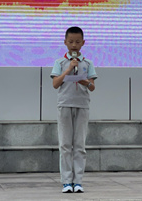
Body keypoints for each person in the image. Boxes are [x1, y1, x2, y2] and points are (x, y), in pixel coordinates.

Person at [51, 26, 97, 193]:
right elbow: (55, 84)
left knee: (79, 145)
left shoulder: (88, 63)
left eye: (77, 42)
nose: (74, 45)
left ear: (83, 43)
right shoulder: (60, 62)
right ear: (65, 42)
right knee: (65, 144)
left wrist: (85, 82)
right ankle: (66, 182)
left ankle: (78, 181)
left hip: (82, 105)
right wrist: (69, 69)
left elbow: (92, 87)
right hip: (65, 104)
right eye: (71, 42)